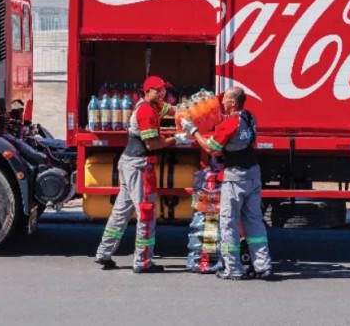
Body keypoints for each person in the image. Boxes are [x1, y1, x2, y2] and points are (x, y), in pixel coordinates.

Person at [95, 75, 183, 274]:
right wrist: (177, 139)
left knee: (121, 211)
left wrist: (191, 111)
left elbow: (174, 110)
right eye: (158, 90)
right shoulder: (146, 112)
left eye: (163, 90)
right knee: (146, 212)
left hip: (129, 164)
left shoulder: (153, 106)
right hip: (138, 166)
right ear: (147, 91)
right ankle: (143, 262)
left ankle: (103, 253)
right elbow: (153, 144)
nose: (162, 94)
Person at [185, 86, 274, 280]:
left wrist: (193, 131)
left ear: (233, 103)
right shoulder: (250, 118)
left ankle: (233, 268)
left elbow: (212, 149)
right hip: (253, 173)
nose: (222, 102)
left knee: (228, 222)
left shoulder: (230, 123)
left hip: (235, 177)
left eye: (225, 99)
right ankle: (263, 266)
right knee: (254, 221)